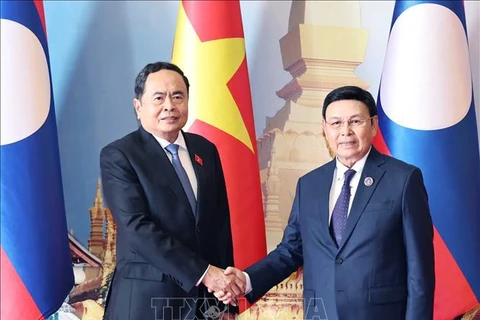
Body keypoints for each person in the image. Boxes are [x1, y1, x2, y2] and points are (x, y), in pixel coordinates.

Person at [216, 86, 435, 320]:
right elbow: (291, 250)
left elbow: (419, 271)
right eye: (336, 123)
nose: (346, 132)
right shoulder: (310, 185)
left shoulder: (403, 180)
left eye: (355, 121)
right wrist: (247, 279)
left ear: (373, 125)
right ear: (324, 128)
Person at [100, 61, 244, 320]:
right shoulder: (120, 155)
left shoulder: (205, 150)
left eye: (178, 96)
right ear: (138, 107)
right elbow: (136, 227)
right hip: (146, 303)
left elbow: (219, 226)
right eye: (159, 98)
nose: (169, 105)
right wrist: (204, 273)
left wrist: (226, 301)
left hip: (204, 307)